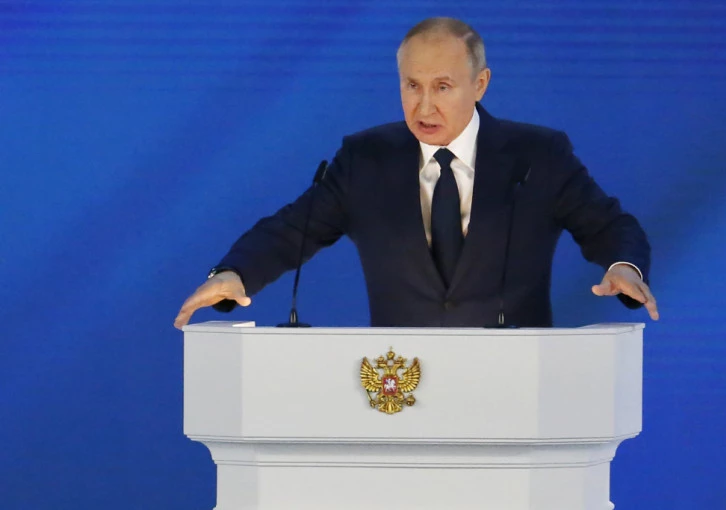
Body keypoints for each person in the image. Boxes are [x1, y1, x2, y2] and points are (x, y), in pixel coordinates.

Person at [174, 17, 659, 329]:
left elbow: (609, 225)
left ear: (480, 84)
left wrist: (624, 267)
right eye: (412, 86)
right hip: (400, 393)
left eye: (442, 87)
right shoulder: (365, 160)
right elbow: (288, 231)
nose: (424, 106)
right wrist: (234, 273)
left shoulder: (538, 155)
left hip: (517, 390)